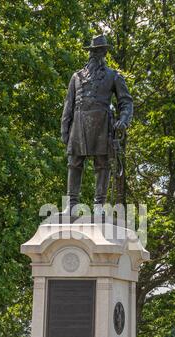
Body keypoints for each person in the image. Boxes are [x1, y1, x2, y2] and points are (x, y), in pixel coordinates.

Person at [61, 34, 133, 215]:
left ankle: (99, 206)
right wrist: (65, 129)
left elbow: (126, 101)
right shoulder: (76, 77)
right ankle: (71, 204)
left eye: (99, 51)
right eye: (93, 51)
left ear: (104, 53)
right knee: (74, 162)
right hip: (78, 124)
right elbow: (68, 105)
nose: (95, 55)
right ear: (89, 53)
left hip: (102, 124)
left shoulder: (113, 76)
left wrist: (123, 120)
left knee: (102, 164)